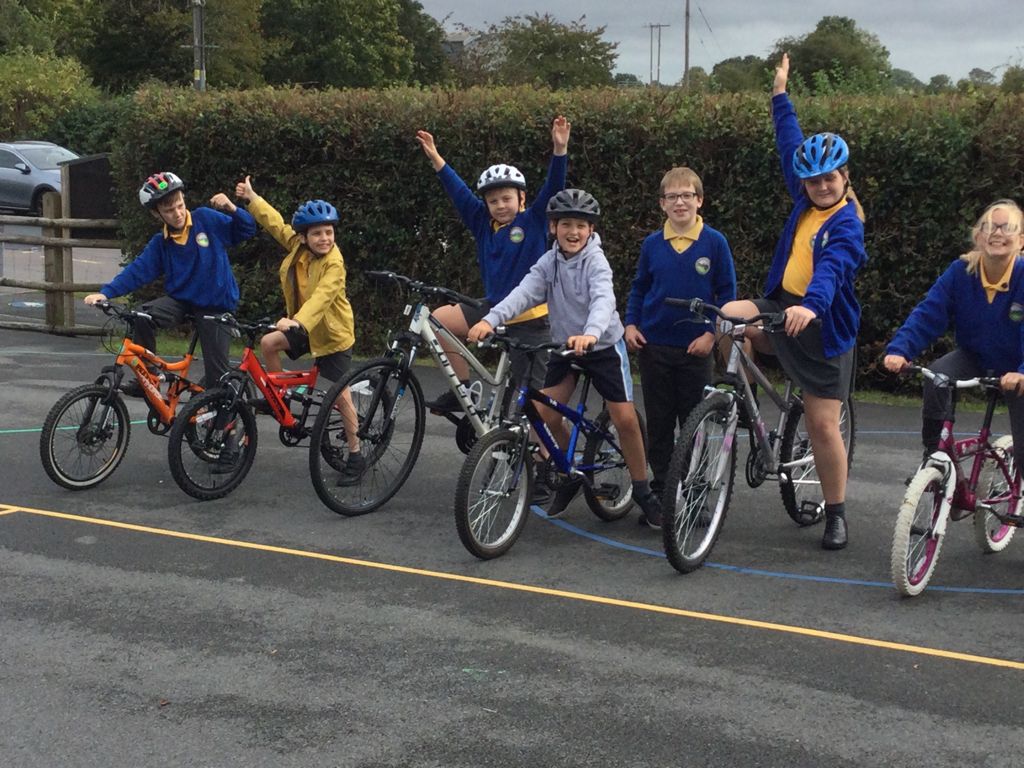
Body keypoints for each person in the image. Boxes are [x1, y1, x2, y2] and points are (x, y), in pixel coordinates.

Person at [719, 53, 867, 550]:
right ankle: (740, 402)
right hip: (780, 304)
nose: (821, 186)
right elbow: (790, 146)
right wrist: (780, 95)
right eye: (813, 180)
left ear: (845, 177)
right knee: (725, 319)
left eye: (830, 178)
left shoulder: (847, 224)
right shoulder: (804, 199)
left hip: (823, 328)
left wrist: (812, 306)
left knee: (823, 426)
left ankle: (836, 513)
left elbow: (832, 270)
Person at [467, 189, 664, 529]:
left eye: (582, 226)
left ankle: (643, 490)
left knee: (624, 419)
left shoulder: (596, 262)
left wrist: (591, 332)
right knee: (542, 415)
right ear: (553, 228)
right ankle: (567, 467)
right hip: (563, 346)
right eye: (567, 225)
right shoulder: (548, 262)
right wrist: (490, 320)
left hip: (601, 346)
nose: (574, 232)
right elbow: (524, 293)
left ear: (591, 231)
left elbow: (603, 298)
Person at [413, 117, 570, 415]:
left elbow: (554, 187)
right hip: (494, 308)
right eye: (493, 200)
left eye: (506, 198)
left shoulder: (534, 221)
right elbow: (458, 192)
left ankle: (531, 449)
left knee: (531, 403)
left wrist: (559, 149)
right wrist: (435, 157)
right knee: (437, 321)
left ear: (521, 198)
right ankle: (462, 390)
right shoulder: (484, 225)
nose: (500, 205)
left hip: (530, 318)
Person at [232, 175, 364, 485]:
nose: (325, 239)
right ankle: (281, 399)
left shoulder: (335, 263)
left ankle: (356, 454)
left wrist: (297, 321)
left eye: (329, 232)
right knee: (268, 343)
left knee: (340, 396)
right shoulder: (298, 246)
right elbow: (276, 224)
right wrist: (252, 198)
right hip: (302, 324)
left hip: (331, 334)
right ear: (303, 237)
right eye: (317, 233)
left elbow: (322, 298)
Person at [624, 166, 737, 499]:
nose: (679, 202)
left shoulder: (715, 243)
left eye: (687, 195)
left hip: (695, 349)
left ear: (699, 200)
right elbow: (640, 287)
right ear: (662, 204)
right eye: (672, 197)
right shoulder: (652, 244)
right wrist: (631, 323)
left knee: (694, 426)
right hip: (654, 346)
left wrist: (711, 335)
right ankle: (661, 491)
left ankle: (695, 493)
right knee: (659, 425)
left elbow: (727, 297)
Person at [84, 172, 256, 389]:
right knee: (141, 316)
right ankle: (148, 377)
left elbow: (247, 230)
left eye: (180, 205)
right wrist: (106, 293)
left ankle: (222, 420)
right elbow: (138, 271)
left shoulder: (205, 219)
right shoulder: (161, 243)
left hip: (215, 304)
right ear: (157, 214)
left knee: (217, 377)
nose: (178, 213)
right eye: (169, 210)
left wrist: (232, 208)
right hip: (182, 302)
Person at [884, 199, 1024, 464]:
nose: (996, 233)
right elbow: (928, 313)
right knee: (937, 377)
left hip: (1017, 366)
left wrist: (1021, 372)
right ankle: (935, 455)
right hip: (975, 356)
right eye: (989, 226)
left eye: (1007, 227)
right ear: (978, 236)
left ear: (1021, 240)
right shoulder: (961, 272)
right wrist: (900, 350)